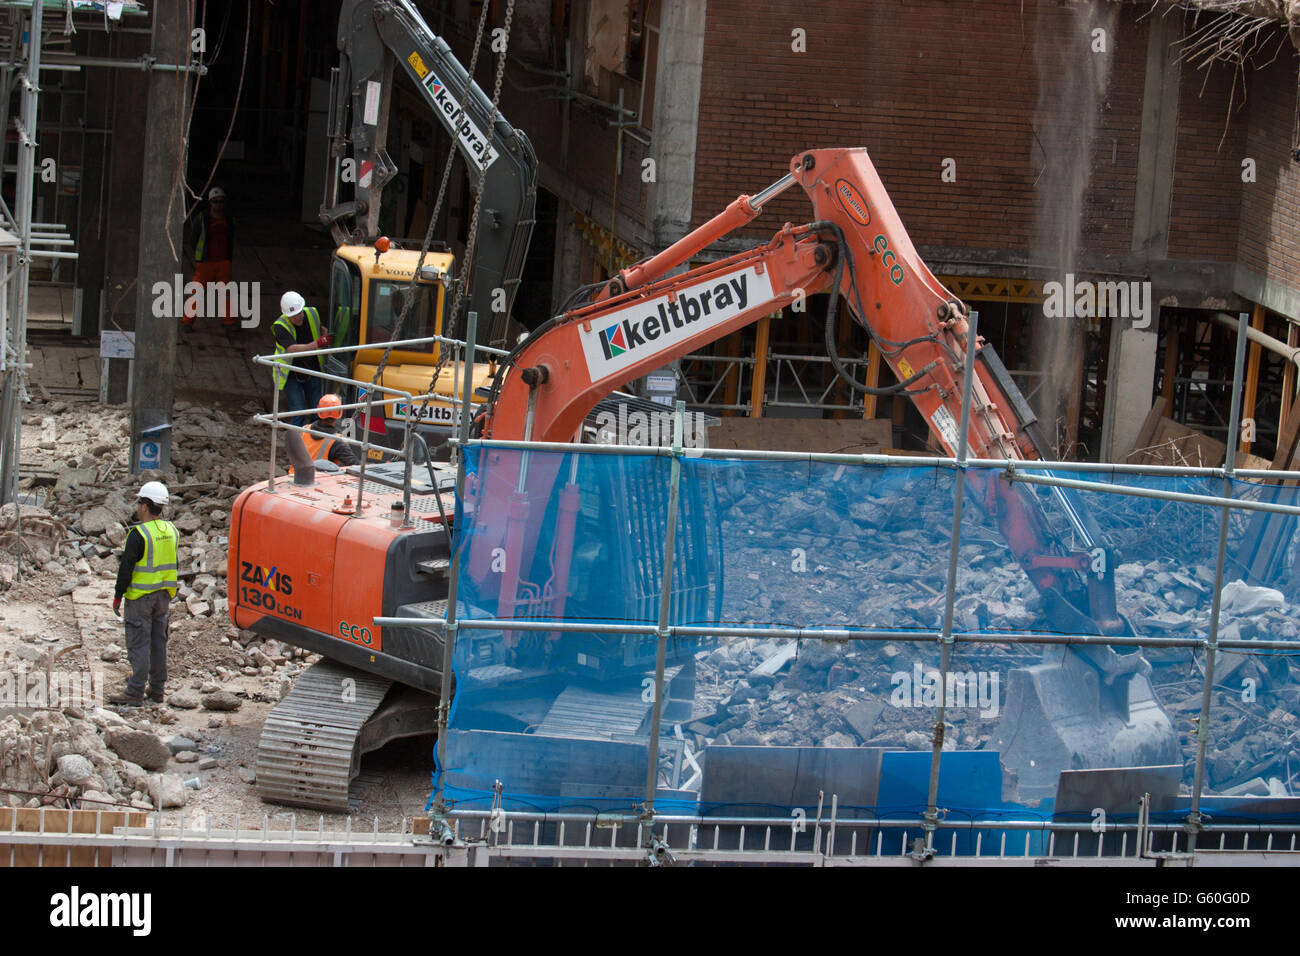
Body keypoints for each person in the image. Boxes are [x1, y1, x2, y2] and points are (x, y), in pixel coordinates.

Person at [107, 482, 179, 706]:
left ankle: (135, 691)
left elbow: (126, 567)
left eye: (139, 502)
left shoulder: (138, 534)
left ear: (145, 507)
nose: (137, 507)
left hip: (140, 597)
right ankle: (157, 689)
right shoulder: (172, 531)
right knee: (159, 642)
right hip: (164, 596)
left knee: (138, 643)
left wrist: (118, 595)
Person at [273, 290, 331, 421]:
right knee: (298, 411)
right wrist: (318, 343)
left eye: (299, 313)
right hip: (291, 373)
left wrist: (324, 334)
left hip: (312, 369)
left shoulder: (312, 313)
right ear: (286, 315)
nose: (298, 317)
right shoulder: (280, 326)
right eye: (293, 315)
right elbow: (293, 349)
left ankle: (314, 439)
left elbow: (320, 328)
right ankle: (297, 439)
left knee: (317, 410)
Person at [185, 186, 236, 329]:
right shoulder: (202, 218)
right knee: (196, 293)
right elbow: (193, 239)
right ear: (210, 203)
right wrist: (199, 257)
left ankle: (229, 321)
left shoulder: (229, 218)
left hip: (223, 262)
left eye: (221, 202)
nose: (218, 205)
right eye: (215, 202)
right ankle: (187, 321)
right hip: (206, 263)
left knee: (226, 294)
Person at [303, 393, 358, 467]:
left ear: (318, 410)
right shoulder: (337, 441)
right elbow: (355, 465)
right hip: (318, 477)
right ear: (340, 412)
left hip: (294, 475)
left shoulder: (303, 430)